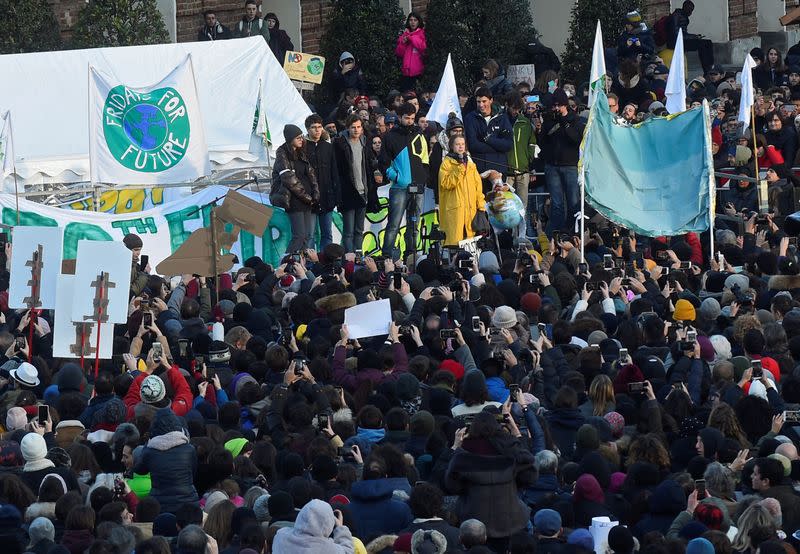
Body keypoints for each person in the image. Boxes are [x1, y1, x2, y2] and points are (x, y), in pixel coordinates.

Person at [380, 102, 429, 258]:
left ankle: (411, 255)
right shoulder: (390, 136)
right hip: (399, 188)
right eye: (407, 118)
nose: (410, 121)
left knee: (414, 225)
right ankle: (386, 256)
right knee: (394, 225)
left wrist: (422, 179)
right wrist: (398, 178)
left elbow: (425, 159)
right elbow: (383, 163)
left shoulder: (419, 134)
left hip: (418, 187)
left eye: (412, 118)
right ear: (399, 117)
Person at [535, 88, 585, 235]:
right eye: (554, 105)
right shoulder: (549, 121)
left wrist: (565, 123)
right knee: (556, 203)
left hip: (570, 166)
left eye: (559, 105)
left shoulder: (575, 120)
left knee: (573, 202)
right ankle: (554, 233)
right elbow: (542, 142)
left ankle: (573, 232)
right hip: (552, 166)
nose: (556, 108)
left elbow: (577, 139)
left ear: (565, 105)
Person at [335, 114, 380, 253]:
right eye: (353, 127)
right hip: (348, 192)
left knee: (359, 230)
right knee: (348, 230)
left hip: (363, 191)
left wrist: (377, 172)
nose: (356, 130)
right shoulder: (340, 143)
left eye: (358, 127)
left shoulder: (365, 142)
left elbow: (371, 163)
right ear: (348, 128)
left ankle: (359, 256)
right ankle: (349, 257)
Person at [272, 124, 320, 254]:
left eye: (302, 137)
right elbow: (289, 179)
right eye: (298, 137)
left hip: (307, 201)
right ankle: (287, 263)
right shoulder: (282, 153)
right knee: (299, 235)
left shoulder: (301, 152)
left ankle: (302, 264)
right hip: (295, 200)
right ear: (290, 138)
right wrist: (306, 197)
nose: (301, 140)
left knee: (306, 237)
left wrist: (315, 193)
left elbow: (311, 174)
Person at [437, 135, 486, 246]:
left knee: (470, 244)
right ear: (452, 146)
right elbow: (446, 184)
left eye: (462, 144)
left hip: (470, 211)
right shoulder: (446, 164)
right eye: (457, 144)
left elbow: (478, 187)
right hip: (455, 211)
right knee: (455, 243)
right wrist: (458, 170)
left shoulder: (471, 165)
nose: (460, 147)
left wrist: (481, 206)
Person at [303, 114, 340, 250]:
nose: (317, 130)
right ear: (307, 129)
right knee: (310, 235)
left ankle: (327, 261)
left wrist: (336, 195)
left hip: (327, 195)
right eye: (313, 127)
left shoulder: (328, 147)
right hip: (310, 198)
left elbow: (334, 172)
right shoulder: (303, 148)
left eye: (319, 127)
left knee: (327, 234)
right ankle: (310, 263)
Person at [464, 86, 513, 180]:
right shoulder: (470, 118)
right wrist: (498, 149)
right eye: (478, 102)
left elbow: (508, 144)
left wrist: (489, 140)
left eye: (484, 101)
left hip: (499, 169)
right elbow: (473, 144)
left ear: (491, 100)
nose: (481, 105)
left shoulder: (502, 118)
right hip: (479, 169)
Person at [272, 499, 354, 553]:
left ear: (301, 515)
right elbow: (348, 551)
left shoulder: (280, 536)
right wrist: (340, 528)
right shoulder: (328, 549)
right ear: (329, 524)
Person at [505, 91, 536, 232]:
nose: (516, 111)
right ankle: (508, 238)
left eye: (518, 108)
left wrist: (528, 160)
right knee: (506, 207)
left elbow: (532, 143)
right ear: (507, 106)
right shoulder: (501, 121)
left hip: (523, 170)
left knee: (523, 207)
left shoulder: (525, 122)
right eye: (513, 108)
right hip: (507, 172)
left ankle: (522, 237)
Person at [667, 1, 714, 74]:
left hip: (683, 39)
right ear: (685, 8)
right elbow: (677, 34)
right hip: (676, 42)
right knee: (701, 45)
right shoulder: (675, 16)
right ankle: (706, 70)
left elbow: (684, 33)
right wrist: (693, 37)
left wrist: (694, 36)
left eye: (692, 10)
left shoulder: (684, 17)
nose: (691, 13)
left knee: (708, 42)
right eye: (690, 10)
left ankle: (711, 66)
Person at [395, 12, 427, 92]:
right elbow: (399, 53)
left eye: (415, 20)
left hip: (419, 71)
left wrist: (411, 38)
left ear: (419, 21)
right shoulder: (404, 35)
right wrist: (403, 43)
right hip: (406, 72)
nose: (412, 22)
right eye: (411, 20)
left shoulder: (422, 33)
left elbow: (423, 47)